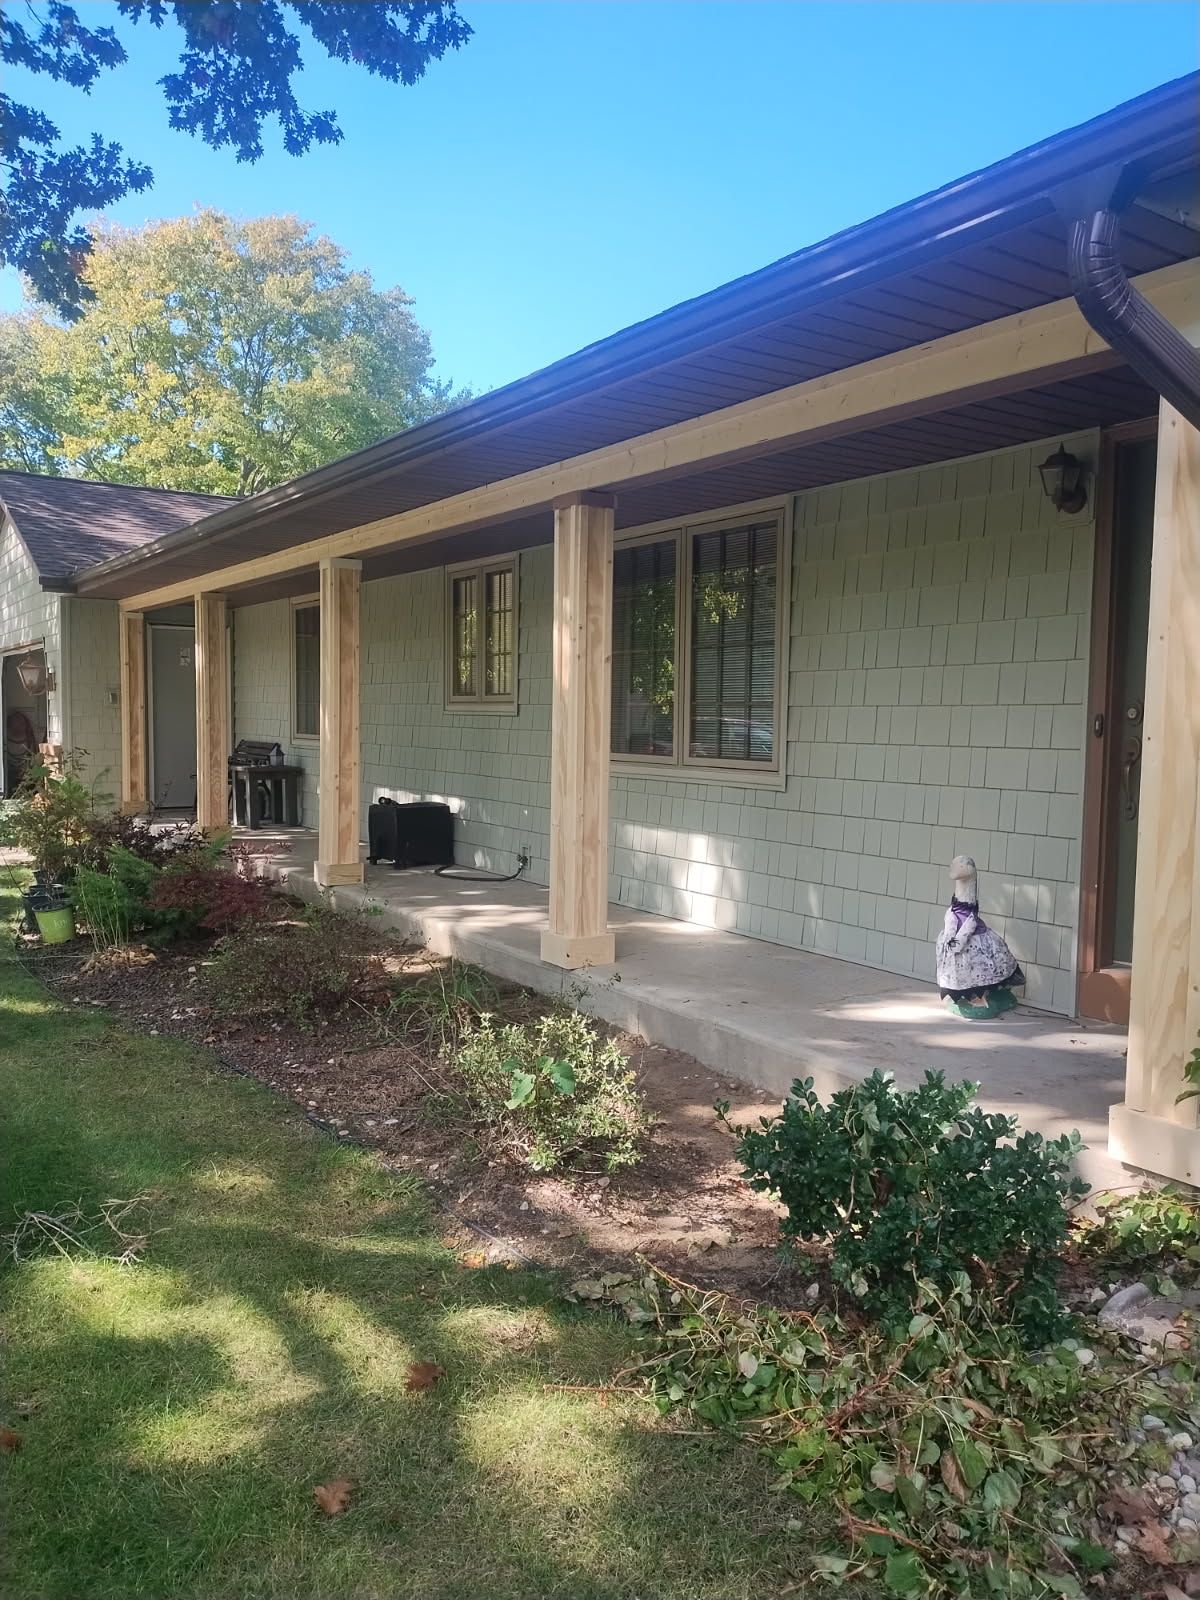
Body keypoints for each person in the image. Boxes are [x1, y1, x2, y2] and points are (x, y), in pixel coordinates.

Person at [935, 854, 1024, 1018]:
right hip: (957, 933)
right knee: (961, 964)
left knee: (978, 963)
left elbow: (969, 918)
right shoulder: (956, 904)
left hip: (967, 934)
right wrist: (951, 933)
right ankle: (968, 995)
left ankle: (982, 997)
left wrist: (959, 938)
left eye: (959, 865)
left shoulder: (969, 906)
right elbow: (955, 912)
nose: (953, 868)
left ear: (969, 870)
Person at [4, 708, 38, 793]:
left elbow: (34, 754)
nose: (19, 726)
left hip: (26, 773)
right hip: (9, 773)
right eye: (16, 724)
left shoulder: (30, 739)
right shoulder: (5, 738)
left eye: (21, 724)